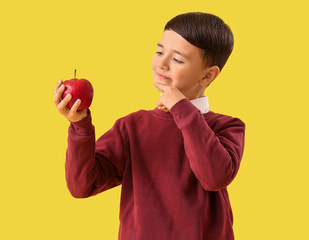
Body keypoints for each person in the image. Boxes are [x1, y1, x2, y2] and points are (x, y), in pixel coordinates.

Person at [53, 12, 245, 240]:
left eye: (177, 59)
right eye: (159, 51)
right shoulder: (131, 127)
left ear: (207, 76)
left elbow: (215, 177)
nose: (161, 64)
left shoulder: (227, 127)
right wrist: (80, 127)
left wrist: (182, 109)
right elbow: (82, 186)